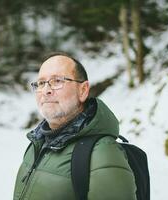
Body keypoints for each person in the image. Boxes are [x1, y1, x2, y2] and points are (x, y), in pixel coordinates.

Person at [13, 52, 137, 200]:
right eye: (41, 83)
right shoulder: (37, 143)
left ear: (83, 90)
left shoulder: (103, 154)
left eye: (57, 81)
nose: (46, 90)